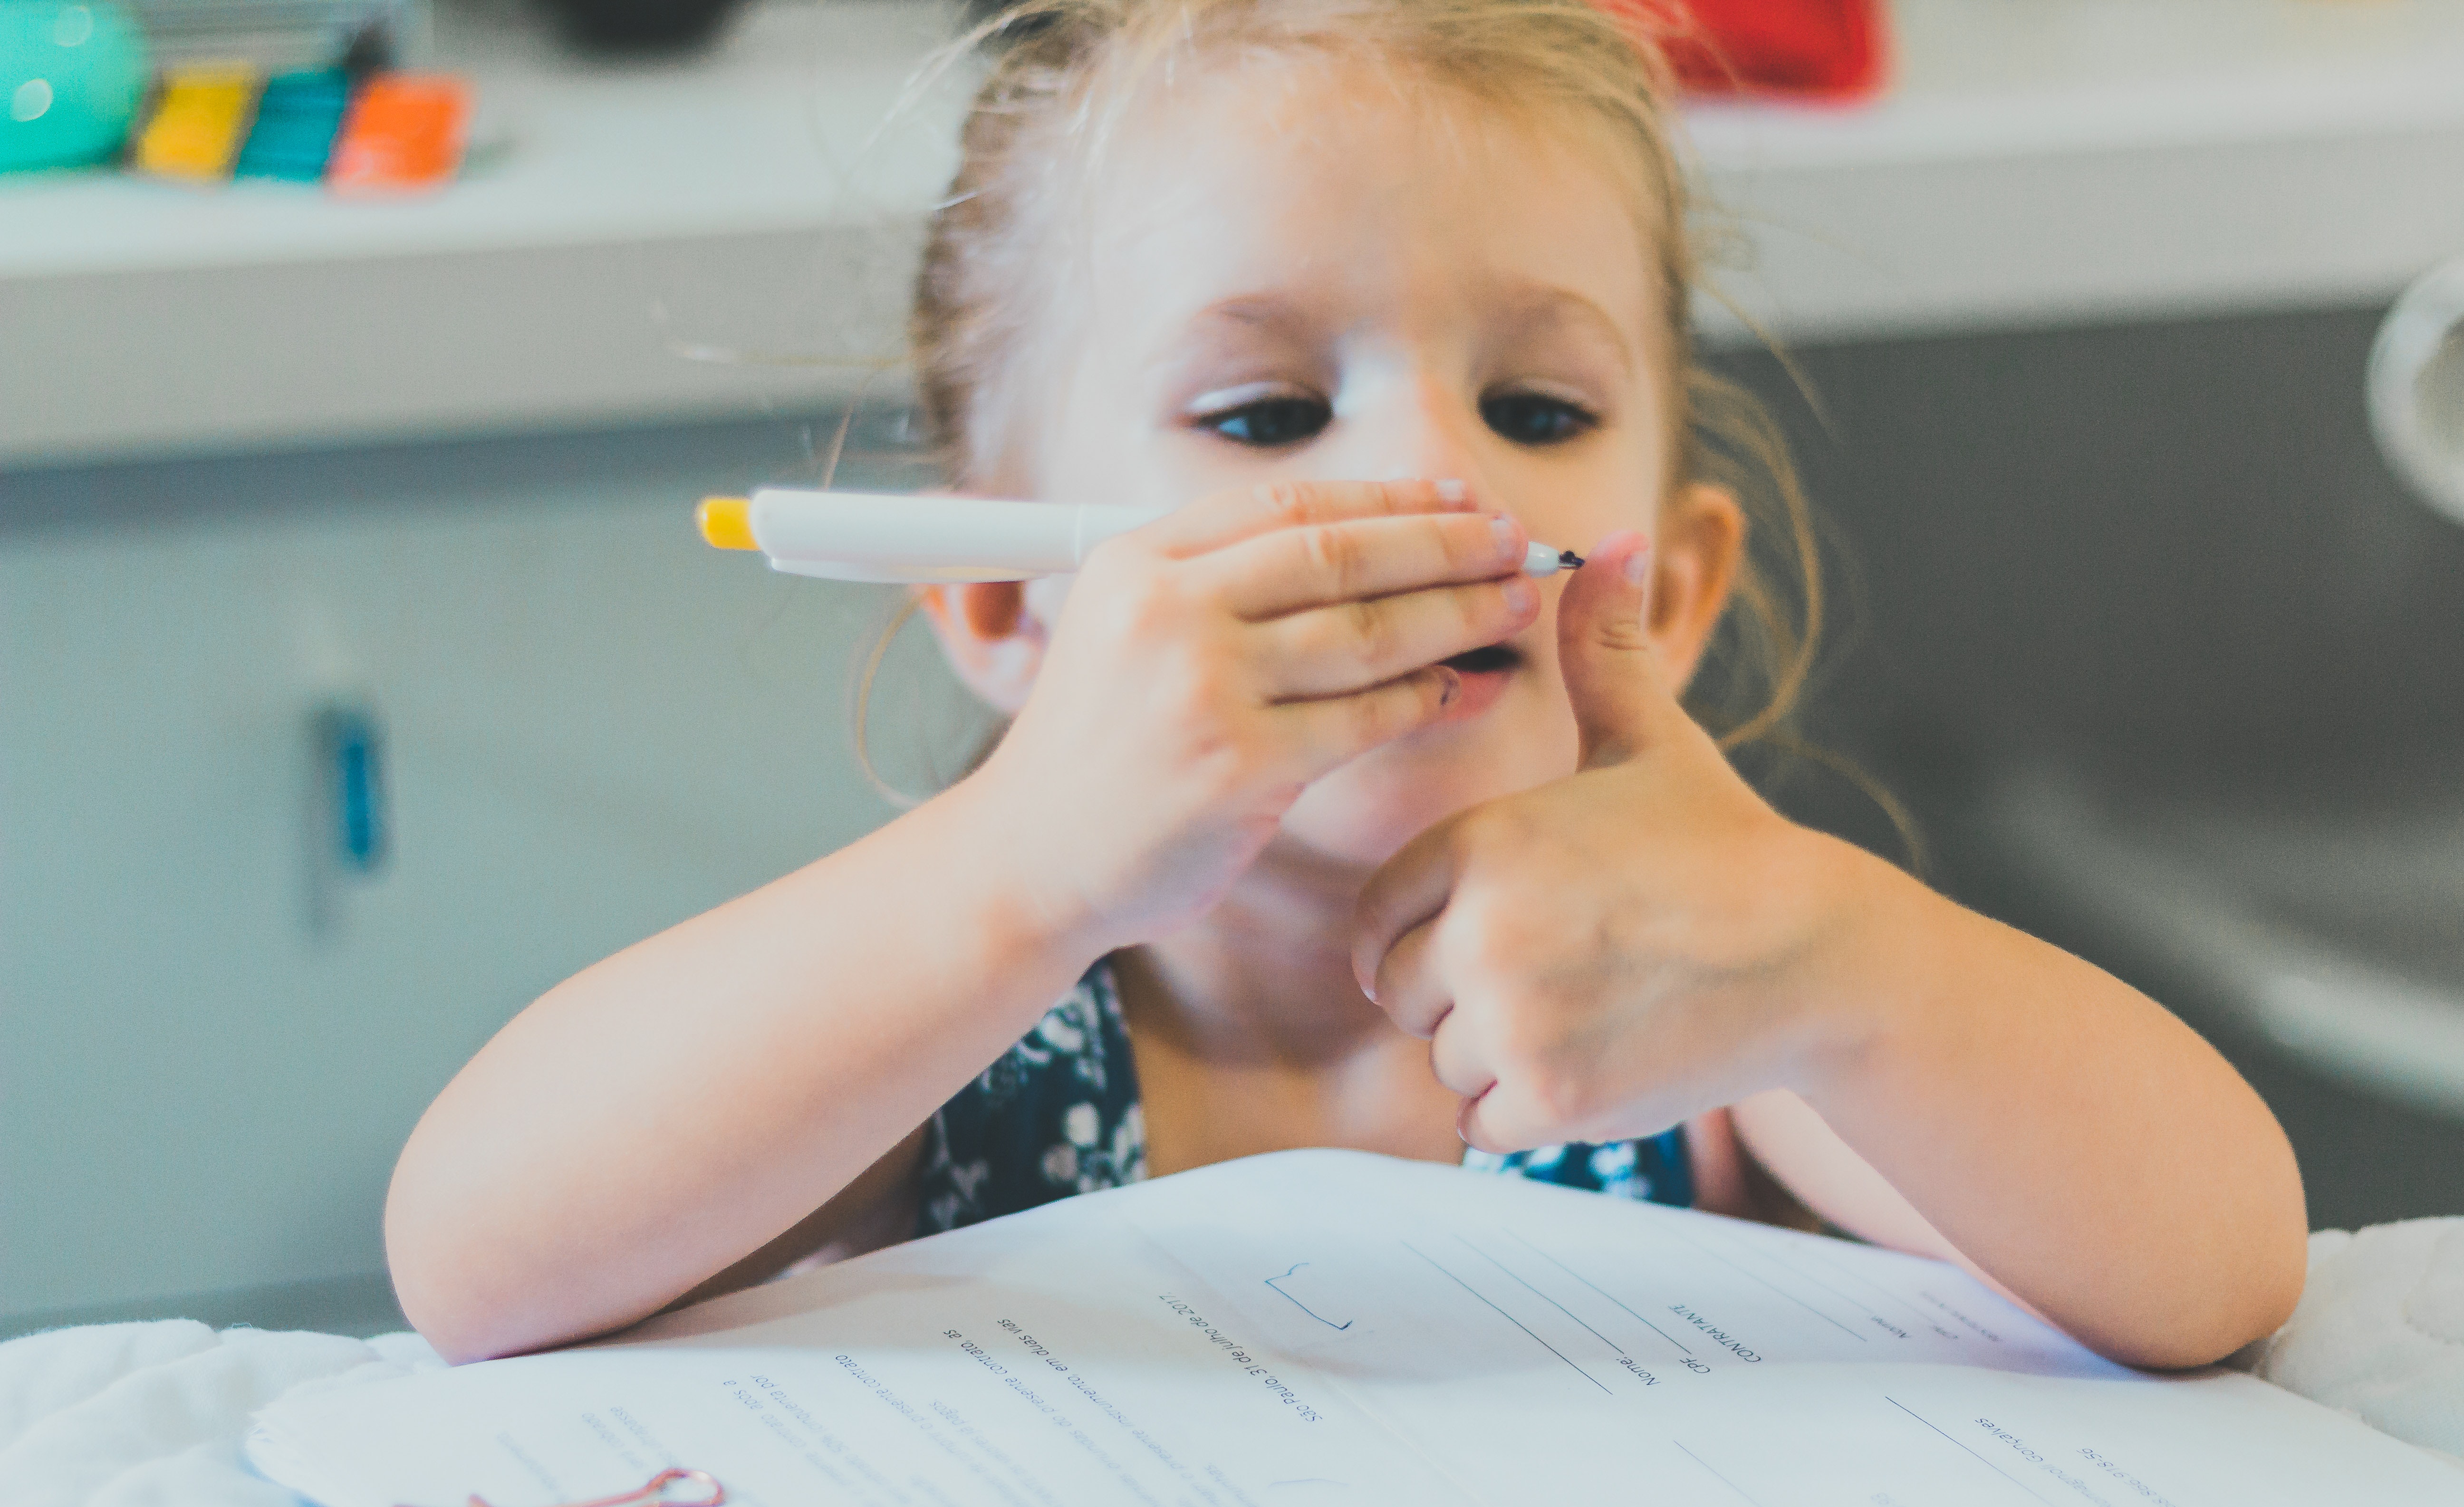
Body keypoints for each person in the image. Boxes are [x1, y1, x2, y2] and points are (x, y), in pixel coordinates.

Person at [385, 0, 2307, 1369]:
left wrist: (1849, 965)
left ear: (1673, 587)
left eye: (1535, 408)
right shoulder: (950, 1035)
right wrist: (1017, 871)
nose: (1431, 484)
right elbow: (469, 1260)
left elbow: (2222, 1271)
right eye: (1266, 412)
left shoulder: (1714, 1008)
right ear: (1001, 597)